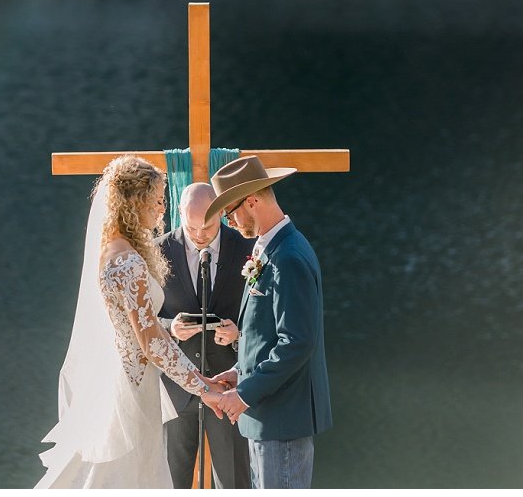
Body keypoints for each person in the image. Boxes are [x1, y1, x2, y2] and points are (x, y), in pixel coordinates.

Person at [37, 155, 229, 489]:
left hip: (134, 381)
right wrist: (203, 389)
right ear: (134, 201)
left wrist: (202, 380)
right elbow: (151, 340)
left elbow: (151, 331)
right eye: (155, 201)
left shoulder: (118, 249)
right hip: (130, 387)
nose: (160, 210)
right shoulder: (126, 261)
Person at [203, 156, 332, 488]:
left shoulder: (288, 257)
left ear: (252, 201)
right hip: (268, 417)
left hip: (282, 421)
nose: (229, 222)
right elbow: (267, 333)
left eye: (230, 213)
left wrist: (244, 394)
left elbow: (297, 342)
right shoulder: (271, 249)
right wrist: (238, 372)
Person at [155, 183, 253, 488]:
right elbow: (140, 318)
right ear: (179, 213)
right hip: (175, 389)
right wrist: (171, 327)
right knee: (171, 481)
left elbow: (264, 315)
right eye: (191, 225)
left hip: (227, 387)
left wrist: (239, 333)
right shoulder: (158, 250)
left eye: (208, 226)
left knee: (235, 480)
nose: (199, 234)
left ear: (221, 214)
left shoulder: (247, 248)